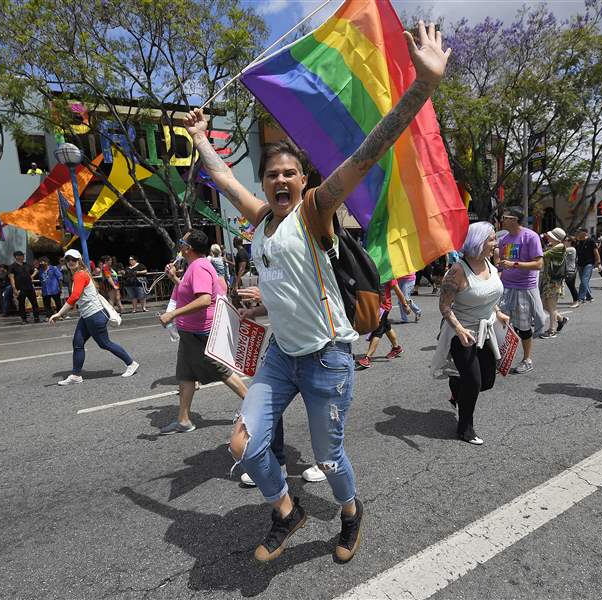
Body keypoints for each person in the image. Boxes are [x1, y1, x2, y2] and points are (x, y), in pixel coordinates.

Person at [183, 20, 450, 564]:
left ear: (303, 179)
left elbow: (366, 155)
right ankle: (287, 511)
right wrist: (197, 139)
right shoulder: (260, 222)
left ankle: (350, 511)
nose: (280, 180)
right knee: (244, 445)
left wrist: (421, 87)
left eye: (290, 172)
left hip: (328, 358)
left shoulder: (315, 211)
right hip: (282, 355)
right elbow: (225, 181)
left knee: (329, 459)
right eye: (272, 174)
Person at [157, 229, 248, 434]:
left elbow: (204, 299)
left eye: (182, 242)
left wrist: (172, 315)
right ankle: (183, 420)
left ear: (188, 248)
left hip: (200, 332)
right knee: (186, 375)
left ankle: (255, 408)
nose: (179, 245)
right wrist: (173, 278)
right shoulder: (194, 266)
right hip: (190, 332)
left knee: (222, 371)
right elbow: (191, 294)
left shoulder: (199, 267)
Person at [236, 287, 327, 487]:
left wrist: (268, 296)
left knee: (320, 410)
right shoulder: (272, 262)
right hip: (281, 348)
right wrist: (253, 312)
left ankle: (326, 462)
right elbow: (278, 306)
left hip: (316, 347)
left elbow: (309, 300)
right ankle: (277, 462)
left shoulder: (311, 258)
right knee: (268, 404)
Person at [433, 221, 508, 444]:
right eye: (492, 239)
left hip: (487, 330)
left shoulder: (490, 263)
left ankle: (457, 387)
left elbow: (487, 294)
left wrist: (499, 312)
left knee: (487, 381)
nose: (496, 243)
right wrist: (459, 329)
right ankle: (465, 428)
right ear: (479, 242)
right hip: (462, 333)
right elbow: (444, 306)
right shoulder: (457, 270)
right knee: (474, 381)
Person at [49, 249, 139, 385]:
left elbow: (75, 296)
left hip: (94, 315)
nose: (70, 262)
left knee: (104, 343)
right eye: (67, 260)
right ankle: (76, 375)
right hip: (87, 315)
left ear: (79, 261)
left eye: (73, 259)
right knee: (77, 343)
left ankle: (131, 363)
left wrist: (59, 313)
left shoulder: (80, 275)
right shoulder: (80, 274)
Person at [495, 205, 546, 374]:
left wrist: (514, 264)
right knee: (501, 324)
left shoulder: (530, 236)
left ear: (514, 219)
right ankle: (502, 357)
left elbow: (539, 264)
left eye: (505, 217)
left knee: (523, 327)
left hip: (524, 288)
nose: (502, 220)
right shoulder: (505, 240)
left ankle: (527, 359)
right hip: (506, 287)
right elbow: (503, 265)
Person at [355, 278, 410, 370]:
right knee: (386, 326)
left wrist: (405, 305)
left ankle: (367, 358)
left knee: (377, 331)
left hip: (383, 307)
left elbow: (397, 290)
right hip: (374, 305)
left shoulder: (388, 274)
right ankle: (396, 348)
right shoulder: (373, 270)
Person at [538, 228, 569, 339]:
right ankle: (561, 319)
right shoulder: (554, 246)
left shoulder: (559, 247)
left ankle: (551, 330)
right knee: (544, 304)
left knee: (551, 307)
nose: (548, 236)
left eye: (550, 235)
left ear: (555, 237)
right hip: (549, 281)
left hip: (554, 282)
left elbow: (542, 255)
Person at [9, 251, 40, 323]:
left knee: (34, 302)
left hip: (29, 287)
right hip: (20, 288)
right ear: (17, 257)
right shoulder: (12, 266)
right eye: (21, 255)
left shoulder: (27, 265)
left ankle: (36, 317)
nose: (23, 257)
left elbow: (36, 270)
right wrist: (14, 288)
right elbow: (11, 277)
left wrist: (31, 276)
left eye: (23, 255)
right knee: (21, 304)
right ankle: (24, 319)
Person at [574, 229, 600, 302]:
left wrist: (598, 263)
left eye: (579, 232)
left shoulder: (591, 241)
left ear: (584, 233)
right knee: (583, 281)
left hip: (589, 263)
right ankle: (589, 296)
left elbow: (596, 253)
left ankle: (581, 297)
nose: (578, 234)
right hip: (580, 264)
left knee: (584, 280)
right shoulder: (578, 242)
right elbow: (576, 254)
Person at [563, 237, 580, 308]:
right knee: (571, 286)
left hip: (570, 271)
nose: (564, 241)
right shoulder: (568, 249)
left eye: (566, 240)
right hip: (568, 270)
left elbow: (560, 251)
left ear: (570, 242)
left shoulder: (571, 249)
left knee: (571, 287)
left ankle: (576, 301)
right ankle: (576, 300)